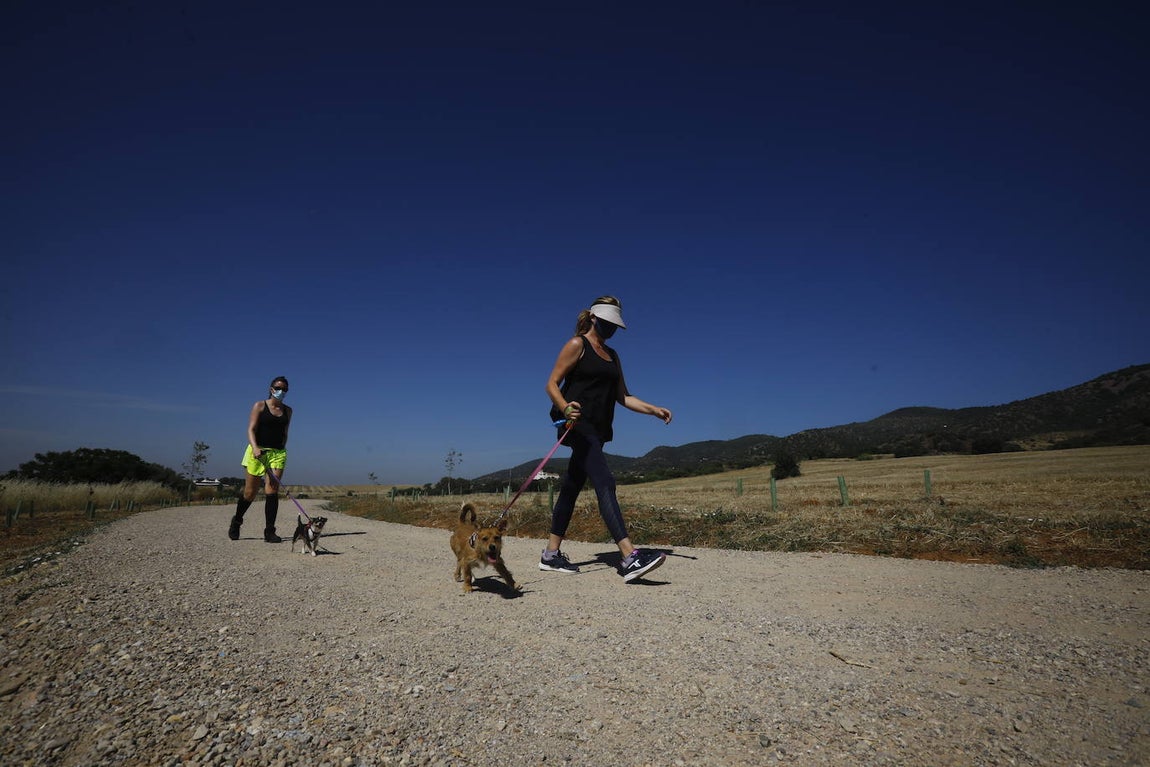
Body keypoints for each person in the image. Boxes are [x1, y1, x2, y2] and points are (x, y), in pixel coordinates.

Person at [541, 296, 673, 582]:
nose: (612, 329)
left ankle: (550, 555)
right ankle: (629, 557)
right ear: (594, 318)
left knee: (571, 487)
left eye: (616, 325)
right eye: (608, 323)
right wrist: (565, 406)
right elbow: (551, 383)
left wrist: (653, 410)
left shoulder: (613, 356)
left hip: (599, 429)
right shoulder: (578, 344)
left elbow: (623, 396)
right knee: (605, 482)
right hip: (577, 425)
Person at [228, 376, 292, 542]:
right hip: (258, 451)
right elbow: (251, 429)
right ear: (271, 389)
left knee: (272, 490)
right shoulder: (260, 405)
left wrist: (282, 448)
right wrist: (255, 447)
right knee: (250, 493)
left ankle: (269, 531)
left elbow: (285, 431)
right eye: (278, 387)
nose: (281, 391)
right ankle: (237, 521)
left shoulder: (288, 411)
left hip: (277, 453)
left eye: (285, 389)